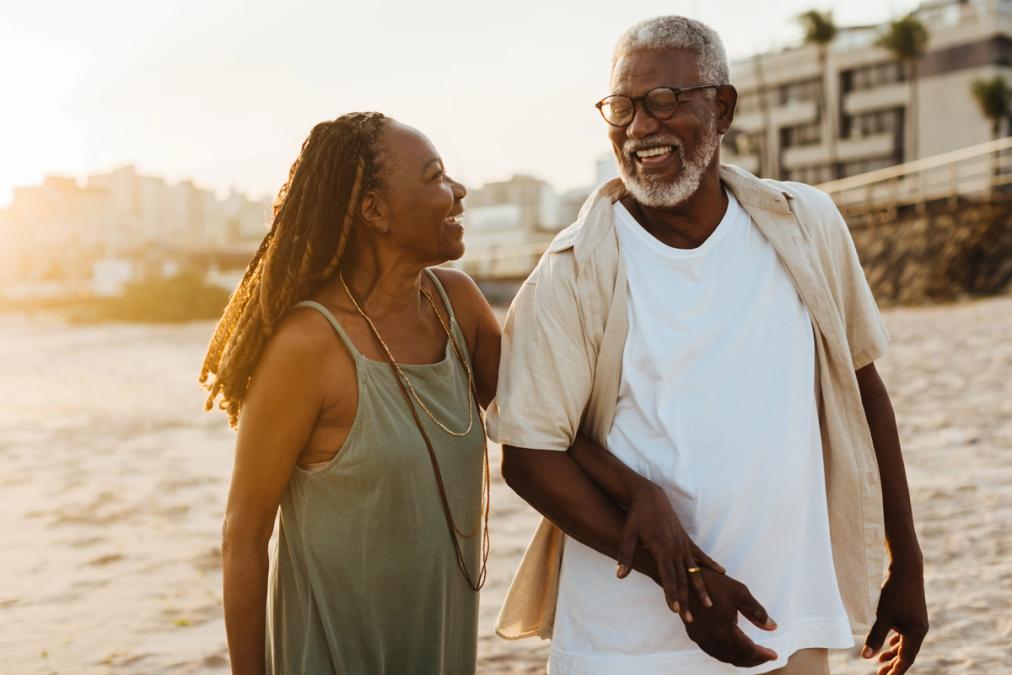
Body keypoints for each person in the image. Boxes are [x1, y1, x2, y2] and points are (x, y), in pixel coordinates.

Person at [490, 16, 928, 675]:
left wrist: (908, 563)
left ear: (722, 106)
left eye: (665, 101)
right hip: (627, 644)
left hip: (790, 616)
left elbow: (863, 388)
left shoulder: (805, 224)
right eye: (623, 106)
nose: (640, 127)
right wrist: (683, 577)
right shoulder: (572, 272)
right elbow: (528, 456)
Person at [200, 112, 501, 674]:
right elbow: (243, 535)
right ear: (373, 210)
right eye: (435, 176)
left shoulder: (459, 306)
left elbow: (548, 428)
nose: (458, 191)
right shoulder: (307, 346)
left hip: (440, 652)